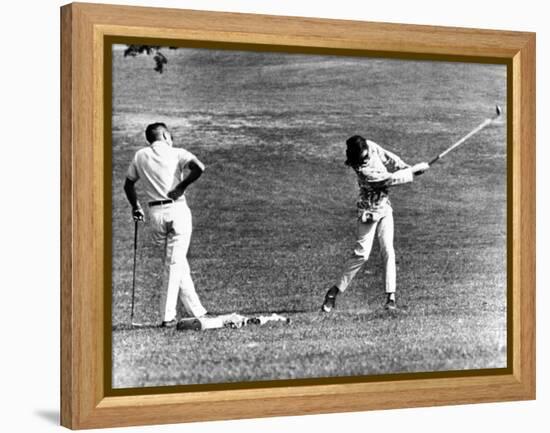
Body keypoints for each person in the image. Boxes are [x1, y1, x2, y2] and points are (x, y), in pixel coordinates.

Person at [321, 135, 429, 312]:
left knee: (388, 249)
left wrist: (406, 167)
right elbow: (388, 180)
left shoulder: (369, 146)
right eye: (363, 157)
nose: (367, 157)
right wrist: (413, 172)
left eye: (366, 154)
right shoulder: (364, 172)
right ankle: (333, 292)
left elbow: (387, 157)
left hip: (384, 207)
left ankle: (390, 299)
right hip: (369, 211)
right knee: (362, 254)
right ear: (356, 158)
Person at [124, 122, 209, 327]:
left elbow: (128, 184)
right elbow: (199, 167)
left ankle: (197, 310)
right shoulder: (177, 152)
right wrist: (181, 186)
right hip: (177, 210)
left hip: (155, 215)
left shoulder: (140, 155)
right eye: (169, 135)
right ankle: (167, 316)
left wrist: (136, 207)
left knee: (178, 264)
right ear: (164, 135)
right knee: (174, 264)